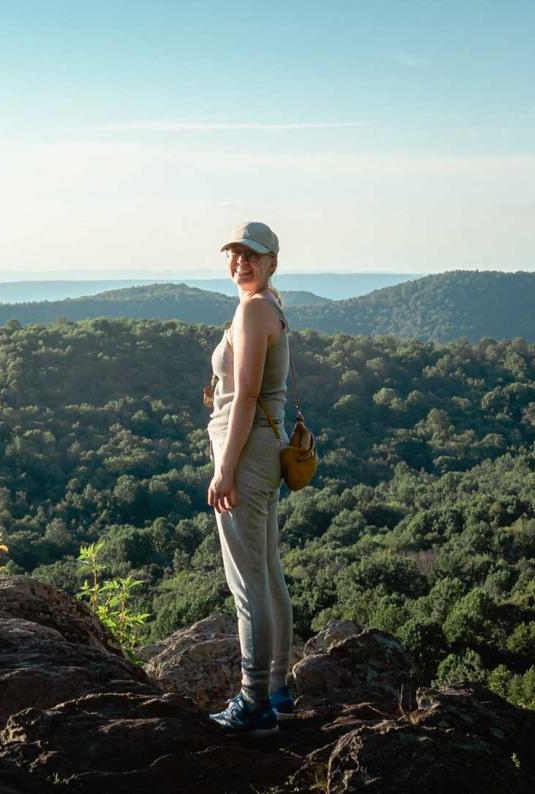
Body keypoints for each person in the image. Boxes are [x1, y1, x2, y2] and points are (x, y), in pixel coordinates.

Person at [205, 221, 294, 737]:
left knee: (247, 583)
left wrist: (224, 469)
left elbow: (245, 395)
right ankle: (278, 691)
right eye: (234, 253)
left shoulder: (255, 308)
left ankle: (254, 702)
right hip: (263, 451)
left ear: (272, 260)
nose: (241, 261)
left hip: (247, 456)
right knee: (267, 570)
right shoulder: (271, 305)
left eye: (252, 254)